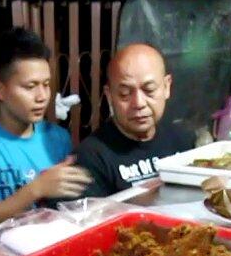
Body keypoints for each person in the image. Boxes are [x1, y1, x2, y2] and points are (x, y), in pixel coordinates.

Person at [0, 27, 89, 225]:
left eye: (46, 84)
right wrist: (35, 189)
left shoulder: (57, 137)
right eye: (30, 87)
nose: (42, 96)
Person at [75, 43, 196, 197]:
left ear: (166, 87)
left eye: (149, 90)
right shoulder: (90, 159)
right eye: (125, 93)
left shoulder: (184, 141)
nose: (138, 103)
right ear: (109, 96)